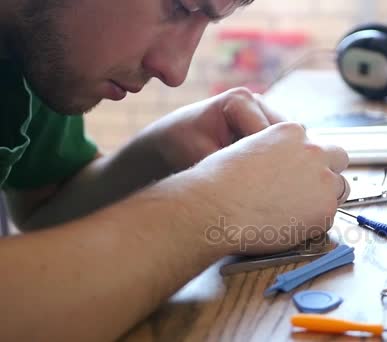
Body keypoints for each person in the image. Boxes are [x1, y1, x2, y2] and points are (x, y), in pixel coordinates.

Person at [0, 0, 350, 340]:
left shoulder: (30, 50)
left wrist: (159, 151)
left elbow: (46, 209)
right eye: (179, 7)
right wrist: (218, 205)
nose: (175, 72)